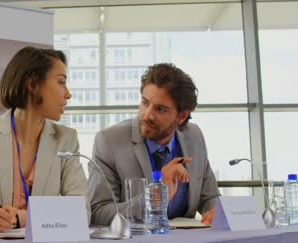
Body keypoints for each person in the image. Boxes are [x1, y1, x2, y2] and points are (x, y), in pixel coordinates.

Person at [0, 46, 88, 233]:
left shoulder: (66, 139)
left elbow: (81, 211)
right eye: (61, 82)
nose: (68, 94)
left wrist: (24, 218)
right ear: (33, 83)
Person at [88, 63, 220, 226]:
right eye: (145, 103)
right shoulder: (109, 141)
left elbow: (209, 197)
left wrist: (215, 212)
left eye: (160, 109)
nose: (147, 115)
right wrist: (153, 196)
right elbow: (98, 213)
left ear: (181, 116)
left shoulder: (194, 136)